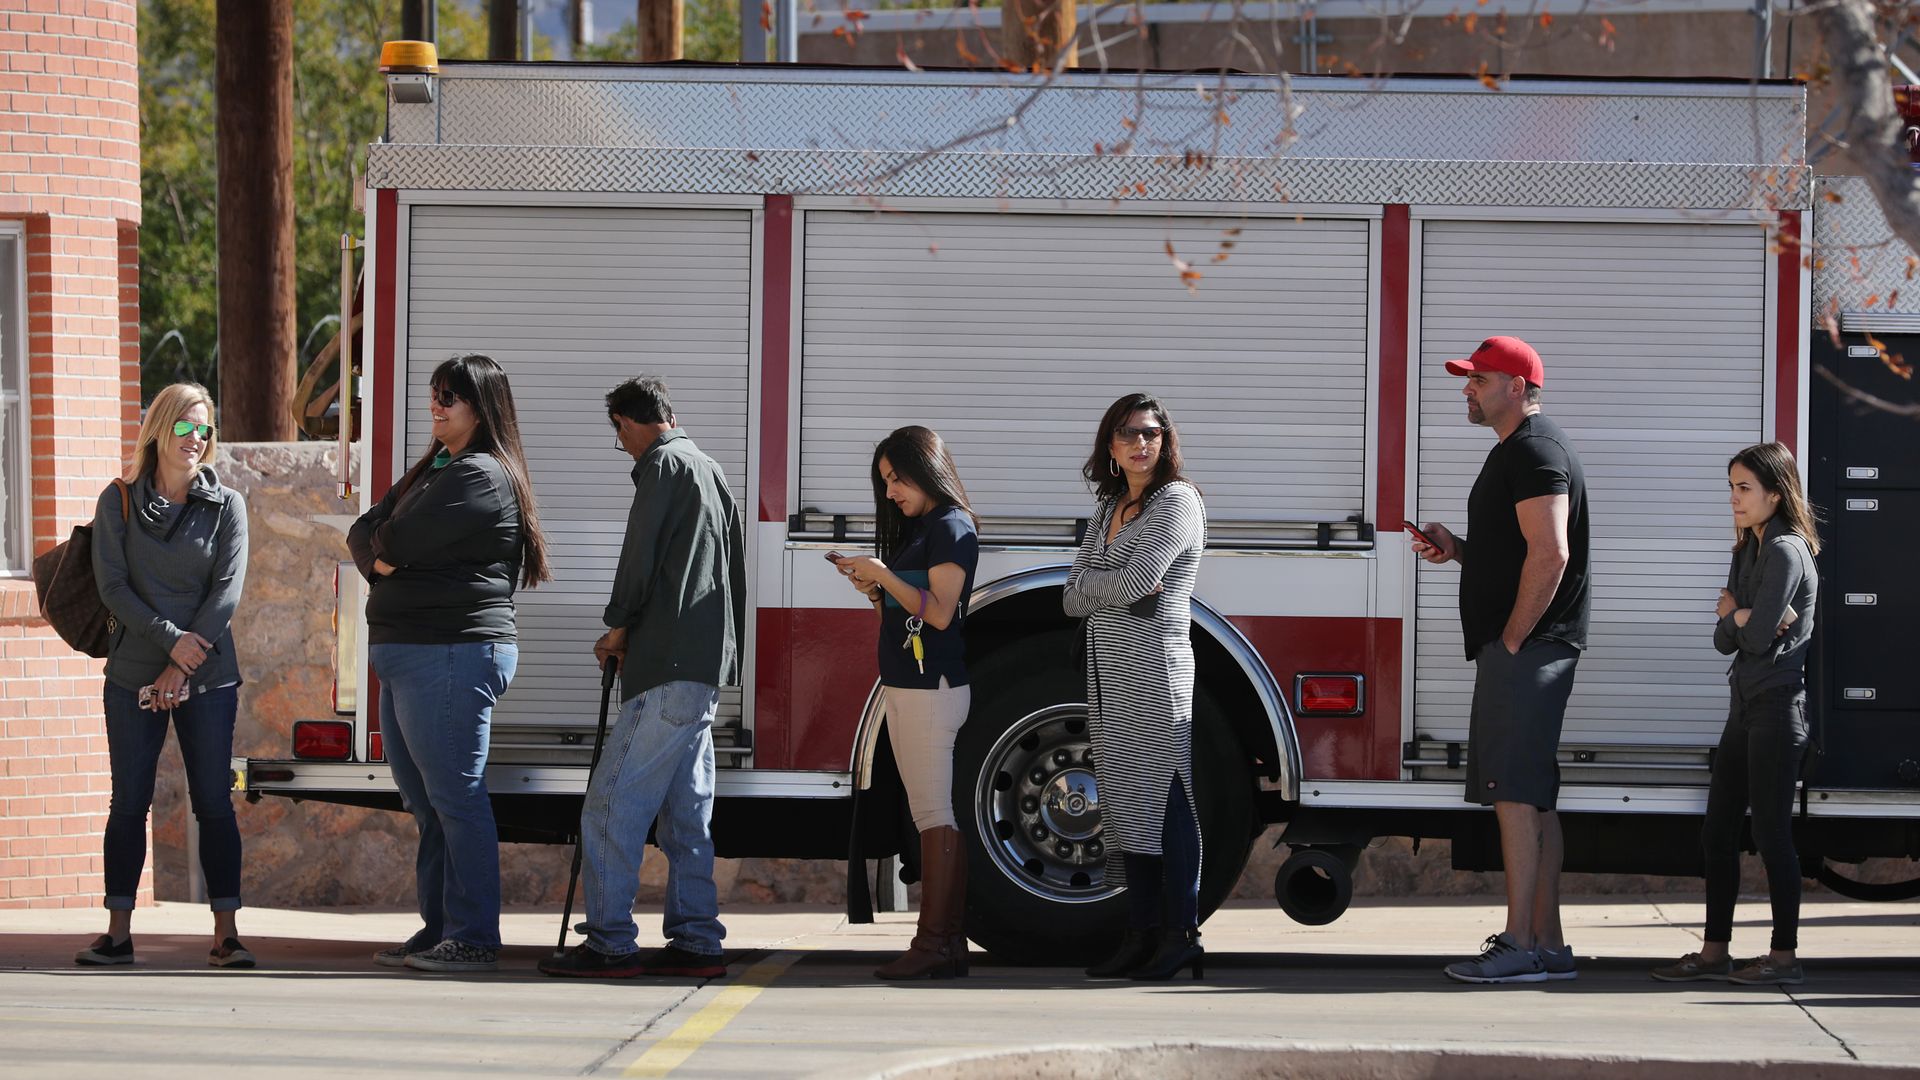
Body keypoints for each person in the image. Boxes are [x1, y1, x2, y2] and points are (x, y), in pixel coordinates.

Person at [539, 375, 746, 980]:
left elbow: (640, 556)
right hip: (704, 669)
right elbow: (731, 570)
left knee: (609, 806)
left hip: (665, 666)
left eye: (619, 435)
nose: (623, 447)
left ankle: (609, 941)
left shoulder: (661, 466)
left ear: (629, 424)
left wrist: (618, 628)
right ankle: (697, 939)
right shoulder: (712, 469)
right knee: (686, 817)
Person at [350, 354, 550, 973]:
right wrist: (383, 553)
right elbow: (364, 533)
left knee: (456, 799)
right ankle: (441, 928)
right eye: (435, 394)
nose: (436, 406)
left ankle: (473, 936)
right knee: (428, 801)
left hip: (451, 654)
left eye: (451, 398)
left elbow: (393, 541)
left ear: (481, 408)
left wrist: (388, 552)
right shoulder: (435, 471)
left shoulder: (481, 476)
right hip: (413, 655)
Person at [1413, 336, 1591, 985]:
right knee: (1535, 798)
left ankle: (1518, 943)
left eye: (1479, 379)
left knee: (1515, 795)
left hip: (1529, 651)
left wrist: (1513, 639)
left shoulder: (1537, 449)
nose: (1468, 389)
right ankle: (1547, 945)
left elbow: (1551, 553)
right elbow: (1517, 551)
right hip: (1527, 651)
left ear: (1516, 386)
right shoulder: (1516, 453)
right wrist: (1456, 548)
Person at [77, 383, 252, 969]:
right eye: (185, 427)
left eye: (204, 428)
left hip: (207, 678)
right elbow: (113, 588)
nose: (196, 439)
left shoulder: (228, 506)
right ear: (159, 430)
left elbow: (226, 593)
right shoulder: (118, 500)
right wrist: (171, 643)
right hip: (132, 675)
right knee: (129, 802)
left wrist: (182, 662)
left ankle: (226, 935)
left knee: (214, 804)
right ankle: (118, 933)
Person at [1653, 442, 1819, 987]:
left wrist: (1738, 615)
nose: (1734, 498)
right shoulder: (1747, 548)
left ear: (1776, 492)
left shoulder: (1788, 552)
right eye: (1730, 486)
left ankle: (1785, 958)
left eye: (1744, 488)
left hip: (1777, 709)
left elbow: (1747, 633)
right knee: (1717, 833)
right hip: (1742, 708)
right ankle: (1714, 952)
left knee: (1772, 836)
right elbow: (1731, 638)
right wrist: (1742, 616)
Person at [1065, 393, 1209, 982]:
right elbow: (1069, 595)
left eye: (1151, 432)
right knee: (1125, 814)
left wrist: (1101, 583)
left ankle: (1181, 938)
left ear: (1165, 440)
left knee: (1168, 808)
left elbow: (1139, 583)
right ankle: (1142, 933)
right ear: (1110, 445)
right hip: (1108, 679)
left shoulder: (1178, 501)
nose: (1140, 443)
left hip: (1155, 677)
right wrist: (1106, 583)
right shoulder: (1107, 508)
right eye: (1128, 434)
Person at [833, 427, 981, 980]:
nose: (891, 491)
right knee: (931, 813)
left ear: (925, 469)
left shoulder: (951, 526)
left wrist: (882, 574)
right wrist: (876, 590)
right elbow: (906, 618)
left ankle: (937, 943)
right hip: (909, 686)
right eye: (885, 482)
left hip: (931, 691)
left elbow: (940, 613)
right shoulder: (925, 529)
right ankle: (946, 943)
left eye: (897, 478)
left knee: (933, 814)